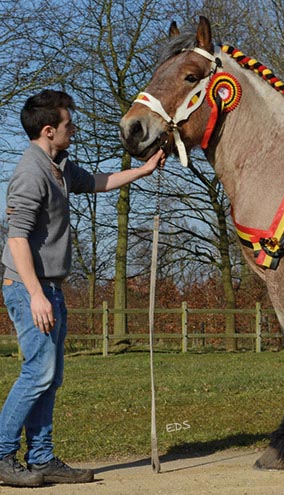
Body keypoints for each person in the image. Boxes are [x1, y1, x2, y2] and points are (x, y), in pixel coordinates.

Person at [0, 89, 165, 487]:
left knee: (50, 376)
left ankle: (41, 459)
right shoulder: (31, 172)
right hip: (29, 288)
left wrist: (141, 172)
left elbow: (97, 181)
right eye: (68, 124)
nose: (74, 129)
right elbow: (16, 239)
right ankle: (2, 454)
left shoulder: (58, 166)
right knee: (37, 373)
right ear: (48, 130)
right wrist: (36, 294)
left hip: (49, 288)